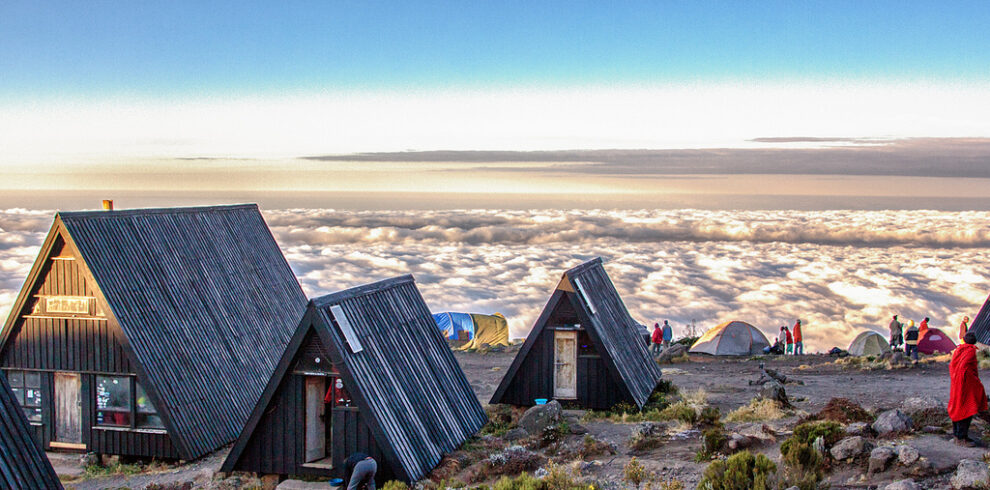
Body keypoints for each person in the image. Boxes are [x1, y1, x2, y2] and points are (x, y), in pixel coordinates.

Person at [948, 332, 988, 447]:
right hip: (965, 386)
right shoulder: (970, 351)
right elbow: (964, 367)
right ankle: (961, 438)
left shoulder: (959, 350)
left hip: (956, 384)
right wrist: (975, 382)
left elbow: (953, 366)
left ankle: (957, 435)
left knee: (957, 408)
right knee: (966, 409)